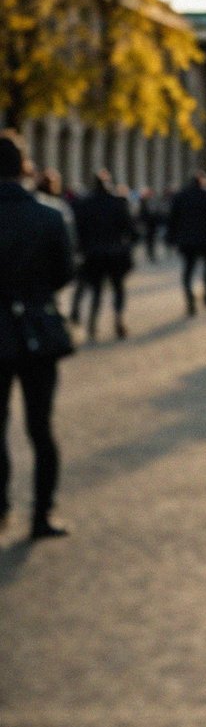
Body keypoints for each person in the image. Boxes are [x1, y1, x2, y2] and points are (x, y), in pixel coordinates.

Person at [0, 131, 75, 539]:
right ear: (24, 166)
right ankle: (41, 514)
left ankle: (1, 508)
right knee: (40, 428)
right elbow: (65, 272)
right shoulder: (50, 215)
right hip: (37, 331)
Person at [73, 169, 134, 341]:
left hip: (94, 254)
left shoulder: (86, 204)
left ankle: (93, 323)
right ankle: (118, 318)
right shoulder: (117, 203)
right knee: (118, 289)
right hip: (115, 253)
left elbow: (80, 231)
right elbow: (129, 228)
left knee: (97, 290)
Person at [167, 171, 206, 315]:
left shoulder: (180, 197)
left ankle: (190, 302)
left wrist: (171, 238)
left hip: (187, 241)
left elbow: (172, 219)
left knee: (188, 270)